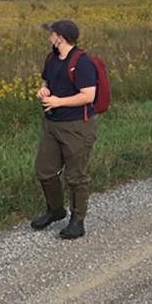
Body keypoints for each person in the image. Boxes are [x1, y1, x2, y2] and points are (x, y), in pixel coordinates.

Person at [31, 19, 99, 239]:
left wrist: (58, 102)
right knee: (45, 170)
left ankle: (77, 220)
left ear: (60, 37)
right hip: (52, 124)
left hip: (77, 126)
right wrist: (44, 91)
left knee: (76, 176)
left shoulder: (82, 62)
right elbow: (46, 83)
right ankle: (56, 209)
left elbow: (88, 96)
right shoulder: (52, 58)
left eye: (51, 34)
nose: (49, 37)